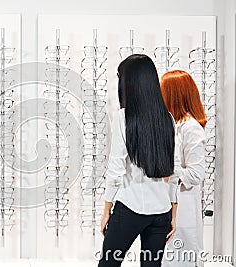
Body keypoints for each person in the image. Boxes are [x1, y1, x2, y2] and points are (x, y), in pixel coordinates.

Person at [98, 54, 178, 267]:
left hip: (130, 208)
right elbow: (173, 170)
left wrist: (107, 210)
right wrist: (173, 212)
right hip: (161, 211)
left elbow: (115, 170)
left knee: (108, 263)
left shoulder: (124, 118)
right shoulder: (167, 118)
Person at [160, 70, 206, 267]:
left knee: (182, 259)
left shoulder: (191, 128)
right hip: (168, 204)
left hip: (184, 205)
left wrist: (167, 171)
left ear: (173, 95)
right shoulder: (174, 125)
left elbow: (197, 174)